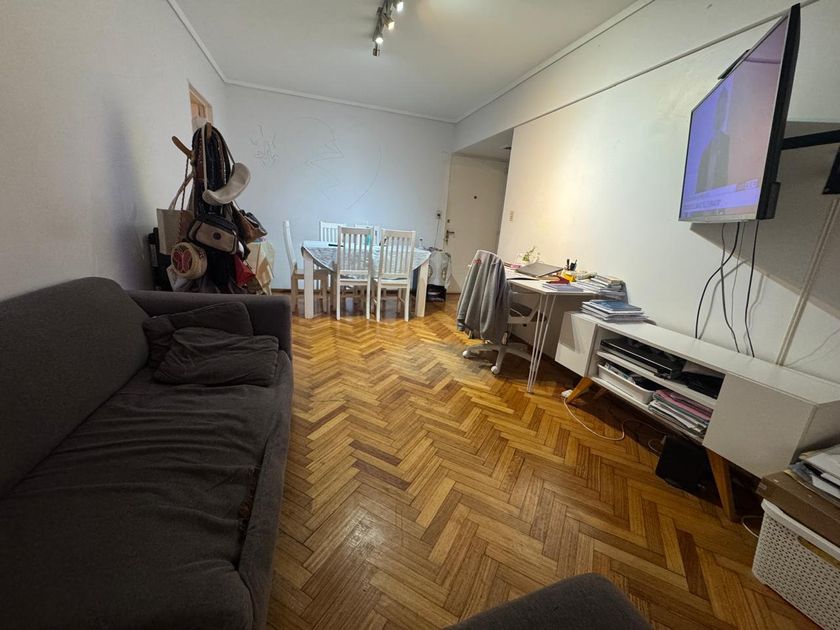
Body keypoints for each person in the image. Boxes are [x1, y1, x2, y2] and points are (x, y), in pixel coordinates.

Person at [696, 88, 731, 193]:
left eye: (723, 111)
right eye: (719, 110)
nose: (720, 115)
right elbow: (699, 187)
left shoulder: (729, 143)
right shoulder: (705, 152)